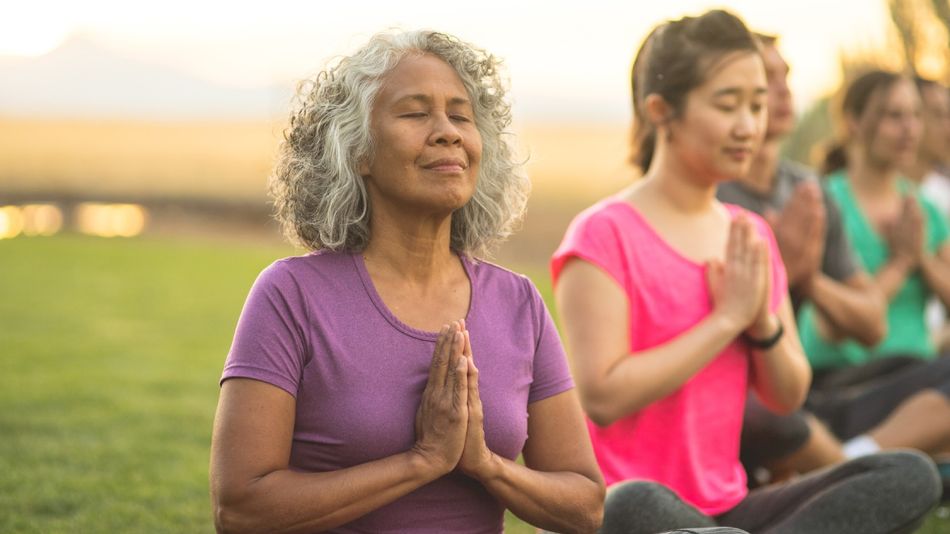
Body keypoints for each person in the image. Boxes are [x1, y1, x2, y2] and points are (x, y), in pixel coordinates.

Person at [552, 10, 942, 534]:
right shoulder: (603, 233)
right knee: (633, 503)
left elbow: (787, 394)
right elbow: (603, 397)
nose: (748, 126)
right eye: (727, 104)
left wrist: (761, 323)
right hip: (633, 508)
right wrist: (724, 319)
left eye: (757, 104)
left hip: (731, 506)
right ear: (662, 111)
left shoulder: (749, 232)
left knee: (907, 474)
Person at [209, 30, 604, 534]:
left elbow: (586, 506)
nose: (448, 132)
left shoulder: (518, 302)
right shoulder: (292, 294)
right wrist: (422, 461)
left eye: (461, 116)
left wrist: (484, 464)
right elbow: (241, 510)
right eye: (416, 113)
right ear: (358, 152)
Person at [716, 34, 883, 480]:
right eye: (767, 79)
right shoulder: (708, 196)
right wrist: (780, 274)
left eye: (785, 76)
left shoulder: (809, 189)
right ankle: (854, 476)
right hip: (741, 401)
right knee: (767, 415)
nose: (783, 90)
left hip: (802, 389)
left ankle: (831, 464)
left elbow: (872, 326)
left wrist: (807, 280)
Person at [795, 70, 950, 460]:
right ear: (854, 122)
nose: (909, 129)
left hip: (921, 378)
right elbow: (832, 327)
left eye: (915, 115)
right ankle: (851, 463)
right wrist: (899, 263)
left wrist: (922, 258)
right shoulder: (823, 202)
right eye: (893, 116)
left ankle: (858, 457)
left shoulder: (924, 209)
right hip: (849, 384)